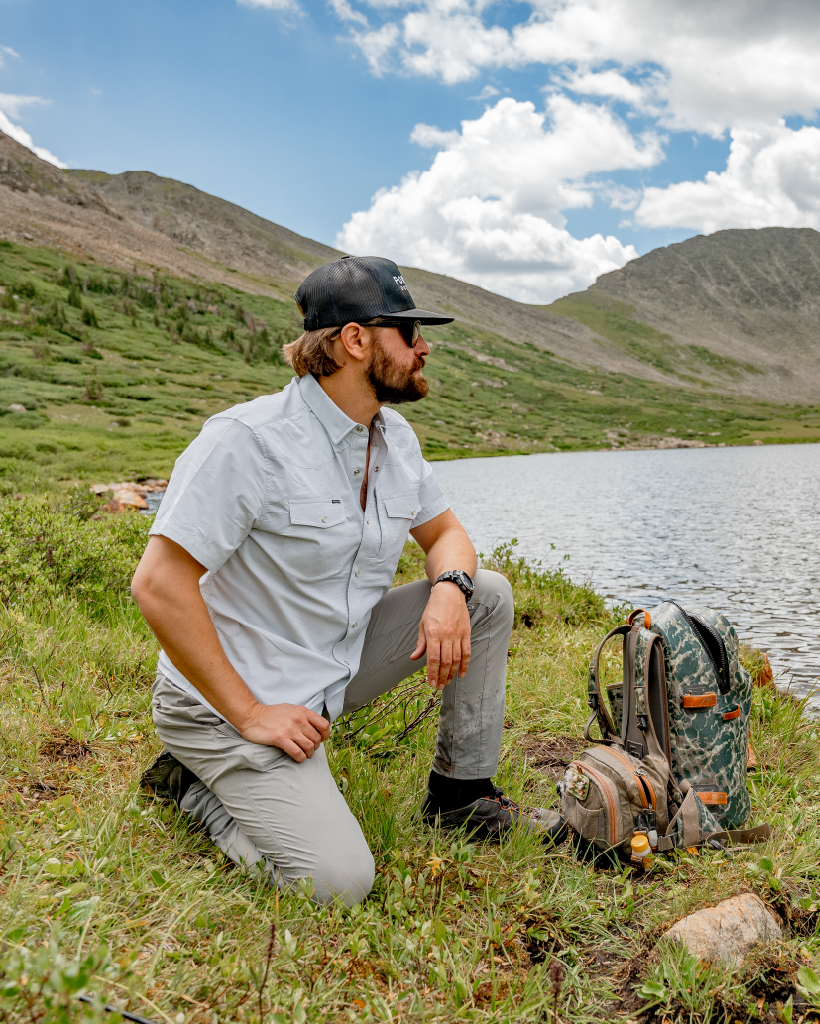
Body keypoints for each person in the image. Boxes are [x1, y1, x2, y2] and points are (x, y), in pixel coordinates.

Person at [131, 256, 566, 907]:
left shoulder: (393, 438)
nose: (424, 348)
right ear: (356, 340)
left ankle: (460, 798)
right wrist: (249, 712)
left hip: (329, 671)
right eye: (408, 333)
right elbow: (159, 584)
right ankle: (197, 787)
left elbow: (448, 535)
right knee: (337, 885)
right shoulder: (248, 442)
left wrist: (448, 587)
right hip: (229, 701)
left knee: (487, 594)